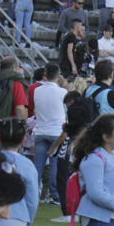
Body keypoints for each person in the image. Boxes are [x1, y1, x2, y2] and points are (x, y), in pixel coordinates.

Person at [32, 63, 67, 206]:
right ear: (58, 76)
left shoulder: (37, 91)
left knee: (38, 166)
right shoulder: (62, 92)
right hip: (55, 132)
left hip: (40, 130)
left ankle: (34, 193)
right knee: (54, 165)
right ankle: (55, 194)